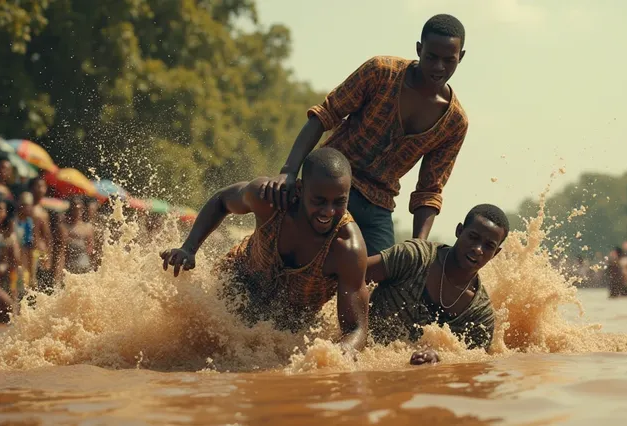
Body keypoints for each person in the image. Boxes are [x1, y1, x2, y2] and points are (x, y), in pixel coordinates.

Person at [260, 14, 469, 255]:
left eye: (448, 60)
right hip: (329, 184)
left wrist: (418, 246)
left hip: (377, 206)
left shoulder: (455, 123)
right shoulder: (381, 72)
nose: (438, 67)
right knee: (284, 251)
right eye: (431, 57)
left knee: (382, 283)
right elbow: (325, 115)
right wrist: (288, 172)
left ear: (461, 57)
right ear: (419, 49)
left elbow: (429, 191)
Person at [160, 148, 370, 354]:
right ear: (299, 189)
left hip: (289, 323)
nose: (329, 212)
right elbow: (222, 199)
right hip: (236, 285)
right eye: (319, 200)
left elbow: (355, 329)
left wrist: (337, 355)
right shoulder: (270, 199)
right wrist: (189, 248)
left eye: (339, 202)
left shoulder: (347, 248)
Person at [365, 204, 508, 365]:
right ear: (459, 231)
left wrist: (440, 357)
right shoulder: (414, 257)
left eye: (489, 246)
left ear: (495, 253)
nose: (477, 249)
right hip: (368, 362)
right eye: (473, 237)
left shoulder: (480, 314)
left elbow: (472, 365)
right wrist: (353, 335)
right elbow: (353, 276)